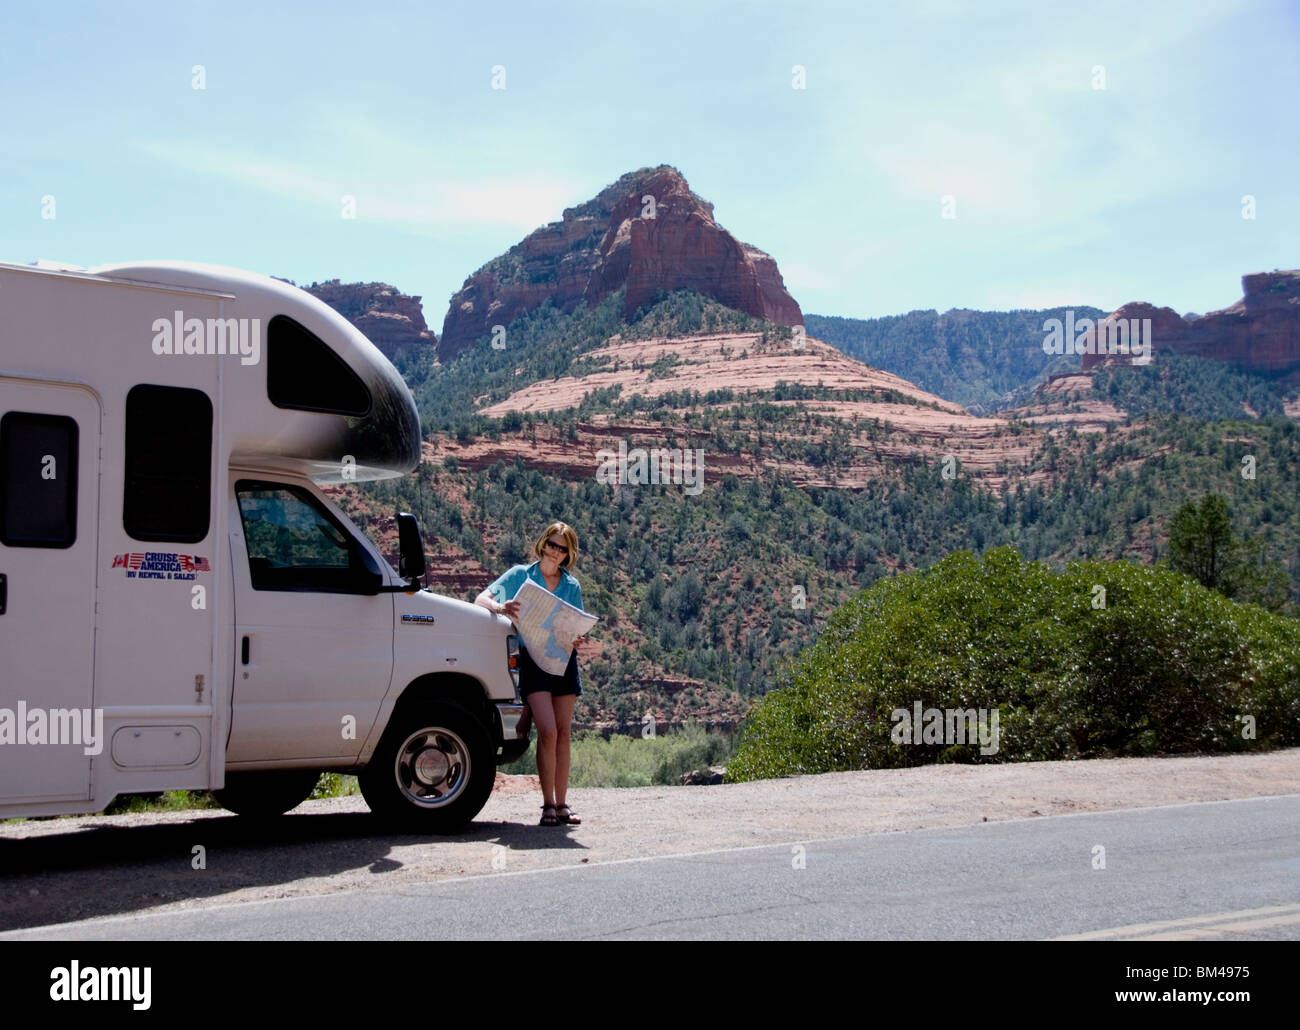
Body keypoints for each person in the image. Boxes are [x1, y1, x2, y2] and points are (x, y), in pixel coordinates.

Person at [475, 521, 595, 826]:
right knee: (548, 731)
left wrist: (578, 639)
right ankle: (547, 805)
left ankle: (563, 803)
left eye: (562, 548)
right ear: (543, 543)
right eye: (552, 544)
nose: (555, 552)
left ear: (569, 554)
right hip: (532, 660)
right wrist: (502, 608)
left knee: (565, 735)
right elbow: (481, 600)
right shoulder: (519, 575)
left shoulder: (572, 585)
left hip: (563, 661)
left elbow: (574, 623)